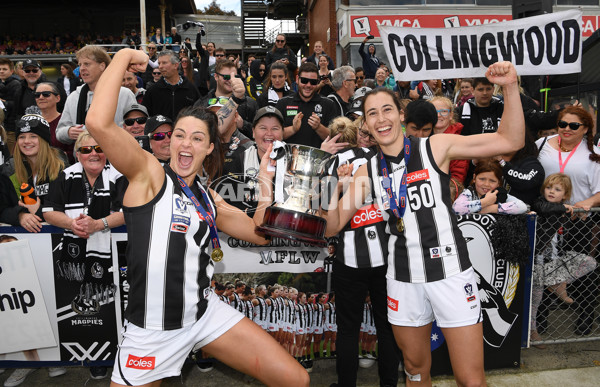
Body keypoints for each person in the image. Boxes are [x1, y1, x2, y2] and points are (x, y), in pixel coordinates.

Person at [84, 48, 308, 387]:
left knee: (296, 379)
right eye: (179, 135)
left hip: (203, 314)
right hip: (153, 329)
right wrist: (124, 56)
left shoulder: (207, 196)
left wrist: (265, 178)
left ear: (208, 149)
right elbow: (97, 123)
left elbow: (260, 233)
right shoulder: (150, 176)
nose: (186, 144)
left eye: (197, 138)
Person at [325, 62, 524, 386]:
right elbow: (333, 226)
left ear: (401, 115)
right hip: (402, 278)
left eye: (387, 109)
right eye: (371, 113)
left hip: (449, 271)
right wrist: (328, 187)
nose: (381, 118)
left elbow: (510, 140)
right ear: (365, 123)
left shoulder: (436, 147)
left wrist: (511, 87)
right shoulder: (367, 172)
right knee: (415, 371)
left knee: (470, 378)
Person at [42, 131, 126, 380]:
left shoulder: (119, 175)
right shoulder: (65, 175)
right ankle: (98, 359)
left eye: (99, 148)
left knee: (115, 307)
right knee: (88, 311)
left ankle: (119, 355)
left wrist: (98, 224)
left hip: (114, 254)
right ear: (77, 153)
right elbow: (48, 211)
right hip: (75, 254)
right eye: (87, 149)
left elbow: (128, 210)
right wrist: (72, 224)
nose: (94, 154)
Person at [536, 106, 600, 335]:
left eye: (573, 126)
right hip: (546, 219)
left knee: (581, 269)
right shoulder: (542, 145)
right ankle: (540, 318)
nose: (566, 129)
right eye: (562, 124)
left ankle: (585, 315)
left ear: (585, 129)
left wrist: (588, 203)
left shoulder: (593, 152)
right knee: (543, 268)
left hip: (578, 221)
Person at [530, 173, 597, 345]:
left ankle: (558, 282)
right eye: (549, 187)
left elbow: (570, 220)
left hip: (556, 262)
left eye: (557, 189)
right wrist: (565, 208)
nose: (551, 191)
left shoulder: (565, 212)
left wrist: (580, 213)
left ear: (565, 195)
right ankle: (532, 332)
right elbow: (546, 209)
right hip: (537, 264)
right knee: (535, 302)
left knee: (590, 262)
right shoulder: (539, 204)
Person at [56, 45, 136, 145]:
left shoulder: (124, 94)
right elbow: (59, 132)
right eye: (80, 64)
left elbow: (136, 129)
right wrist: (68, 131)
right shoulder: (73, 97)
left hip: (117, 155)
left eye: (87, 64)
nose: (82, 68)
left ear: (102, 66)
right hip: (84, 155)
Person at [12, 114, 67, 220]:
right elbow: (4, 208)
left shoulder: (62, 170)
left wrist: (38, 210)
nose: (27, 141)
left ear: (44, 140)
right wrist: (20, 215)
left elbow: (68, 210)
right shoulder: (10, 170)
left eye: (33, 136)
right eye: (21, 137)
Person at [275, 62, 336, 148]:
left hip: (318, 158)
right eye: (304, 81)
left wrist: (319, 127)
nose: (308, 85)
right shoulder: (283, 103)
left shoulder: (328, 104)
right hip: (289, 158)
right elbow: (274, 136)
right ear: (297, 79)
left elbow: (334, 138)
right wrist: (293, 129)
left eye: (313, 82)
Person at [452, 158, 528, 215]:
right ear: (474, 178)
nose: (486, 184)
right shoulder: (469, 192)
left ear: (498, 183)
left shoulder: (499, 194)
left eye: (492, 181)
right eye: (482, 179)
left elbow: (522, 206)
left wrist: (493, 208)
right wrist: (485, 202)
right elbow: (456, 208)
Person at [142, 50, 200, 120]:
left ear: (176, 65)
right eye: (159, 63)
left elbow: (199, 114)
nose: (160, 66)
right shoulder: (153, 91)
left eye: (164, 63)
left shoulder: (191, 88)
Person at [429, 97, 469, 184]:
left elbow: (458, 177)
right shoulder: (423, 137)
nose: (438, 115)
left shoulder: (458, 141)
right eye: (434, 112)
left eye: (443, 111)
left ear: (451, 115)